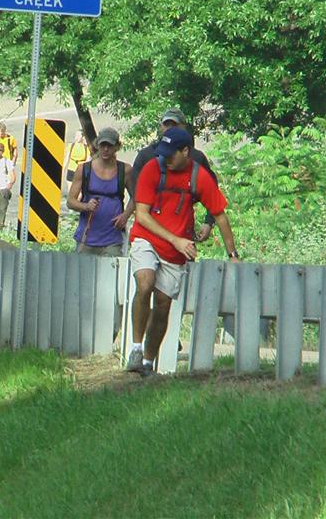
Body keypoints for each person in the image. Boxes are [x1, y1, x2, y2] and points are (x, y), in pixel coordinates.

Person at [126, 126, 240, 376]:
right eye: (162, 153)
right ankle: (135, 348)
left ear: (185, 151)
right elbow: (141, 216)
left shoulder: (199, 177)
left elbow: (220, 216)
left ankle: (147, 362)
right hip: (146, 238)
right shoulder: (152, 168)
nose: (165, 158)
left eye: (170, 154)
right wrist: (176, 240)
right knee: (145, 283)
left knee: (164, 304)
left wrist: (232, 255)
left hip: (175, 251)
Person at [124, 108, 218, 243]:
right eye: (166, 124)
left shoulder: (196, 158)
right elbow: (135, 191)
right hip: (147, 230)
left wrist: (208, 222)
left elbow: (213, 192)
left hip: (182, 230)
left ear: (183, 127)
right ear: (161, 127)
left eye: (174, 125)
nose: (169, 128)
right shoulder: (146, 156)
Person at [67, 127, 131, 256]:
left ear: (117, 147)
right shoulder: (84, 169)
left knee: (112, 275)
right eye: (103, 145)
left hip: (113, 239)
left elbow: (137, 197)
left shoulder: (125, 170)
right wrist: (86, 206)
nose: (106, 149)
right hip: (86, 239)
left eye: (109, 145)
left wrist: (125, 215)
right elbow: (70, 201)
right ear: (98, 145)